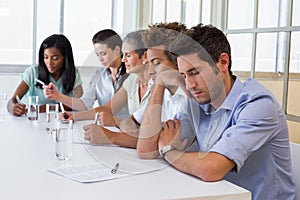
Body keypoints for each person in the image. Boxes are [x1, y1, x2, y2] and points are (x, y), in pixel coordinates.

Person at [155, 23, 295, 200]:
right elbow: (153, 145)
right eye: (184, 75)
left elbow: (209, 169)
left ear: (223, 62)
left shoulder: (258, 104)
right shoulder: (197, 101)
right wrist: (159, 83)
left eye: (195, 72)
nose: (190, 85)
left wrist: (168, 151)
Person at [65, 30, 151, 148]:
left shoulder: (157, 85)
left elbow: (150, 137)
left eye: (128, 55)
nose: (123, 59)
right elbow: (107, 108)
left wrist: (111, 131)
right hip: (131, 144)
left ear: (145, 56)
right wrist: (73, 116)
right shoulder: (132, 80)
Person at [136, 22, 198, 158]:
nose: (150, 71)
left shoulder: (192, 98)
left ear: (178, 62)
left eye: (157, 63)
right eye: (149, 63)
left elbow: (145, 150)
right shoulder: (163, 93)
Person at [43, 29, 129, 118]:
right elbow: (85, 104)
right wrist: (58, 96)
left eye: (103, 54)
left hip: (125, 128)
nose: (100, 59)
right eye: (97, 54)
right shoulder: (99, 74)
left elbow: (108, 109)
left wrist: (75, 116)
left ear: (117, 50)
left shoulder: (130, 75)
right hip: (105, 126)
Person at [7, 34, 83, 115]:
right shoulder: (33, 72)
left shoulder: (73, 73)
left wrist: (45, 108)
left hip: (62, 122)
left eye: (55, 58)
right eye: (46, 57)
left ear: (65, 57)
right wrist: (13, 107)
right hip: (34, 121)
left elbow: (80, 104)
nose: (49, 63)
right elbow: (12, 100)